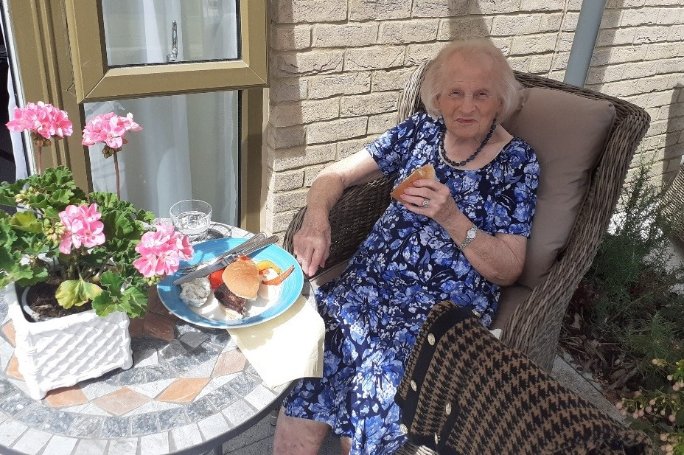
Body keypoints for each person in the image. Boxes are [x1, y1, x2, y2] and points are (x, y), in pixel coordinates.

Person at [273, 38, 540, 455]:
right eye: (455, 92)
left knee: (374, 390)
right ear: (437, 97)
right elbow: (334, 176)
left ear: (500, 101)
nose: (466, 106)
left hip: (438, 309)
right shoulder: (420, 131)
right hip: (366, 287)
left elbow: (508, 269)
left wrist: (452, 216)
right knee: (313, 362)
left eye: (481, 94)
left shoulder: (517, 163)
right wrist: (316, 219)